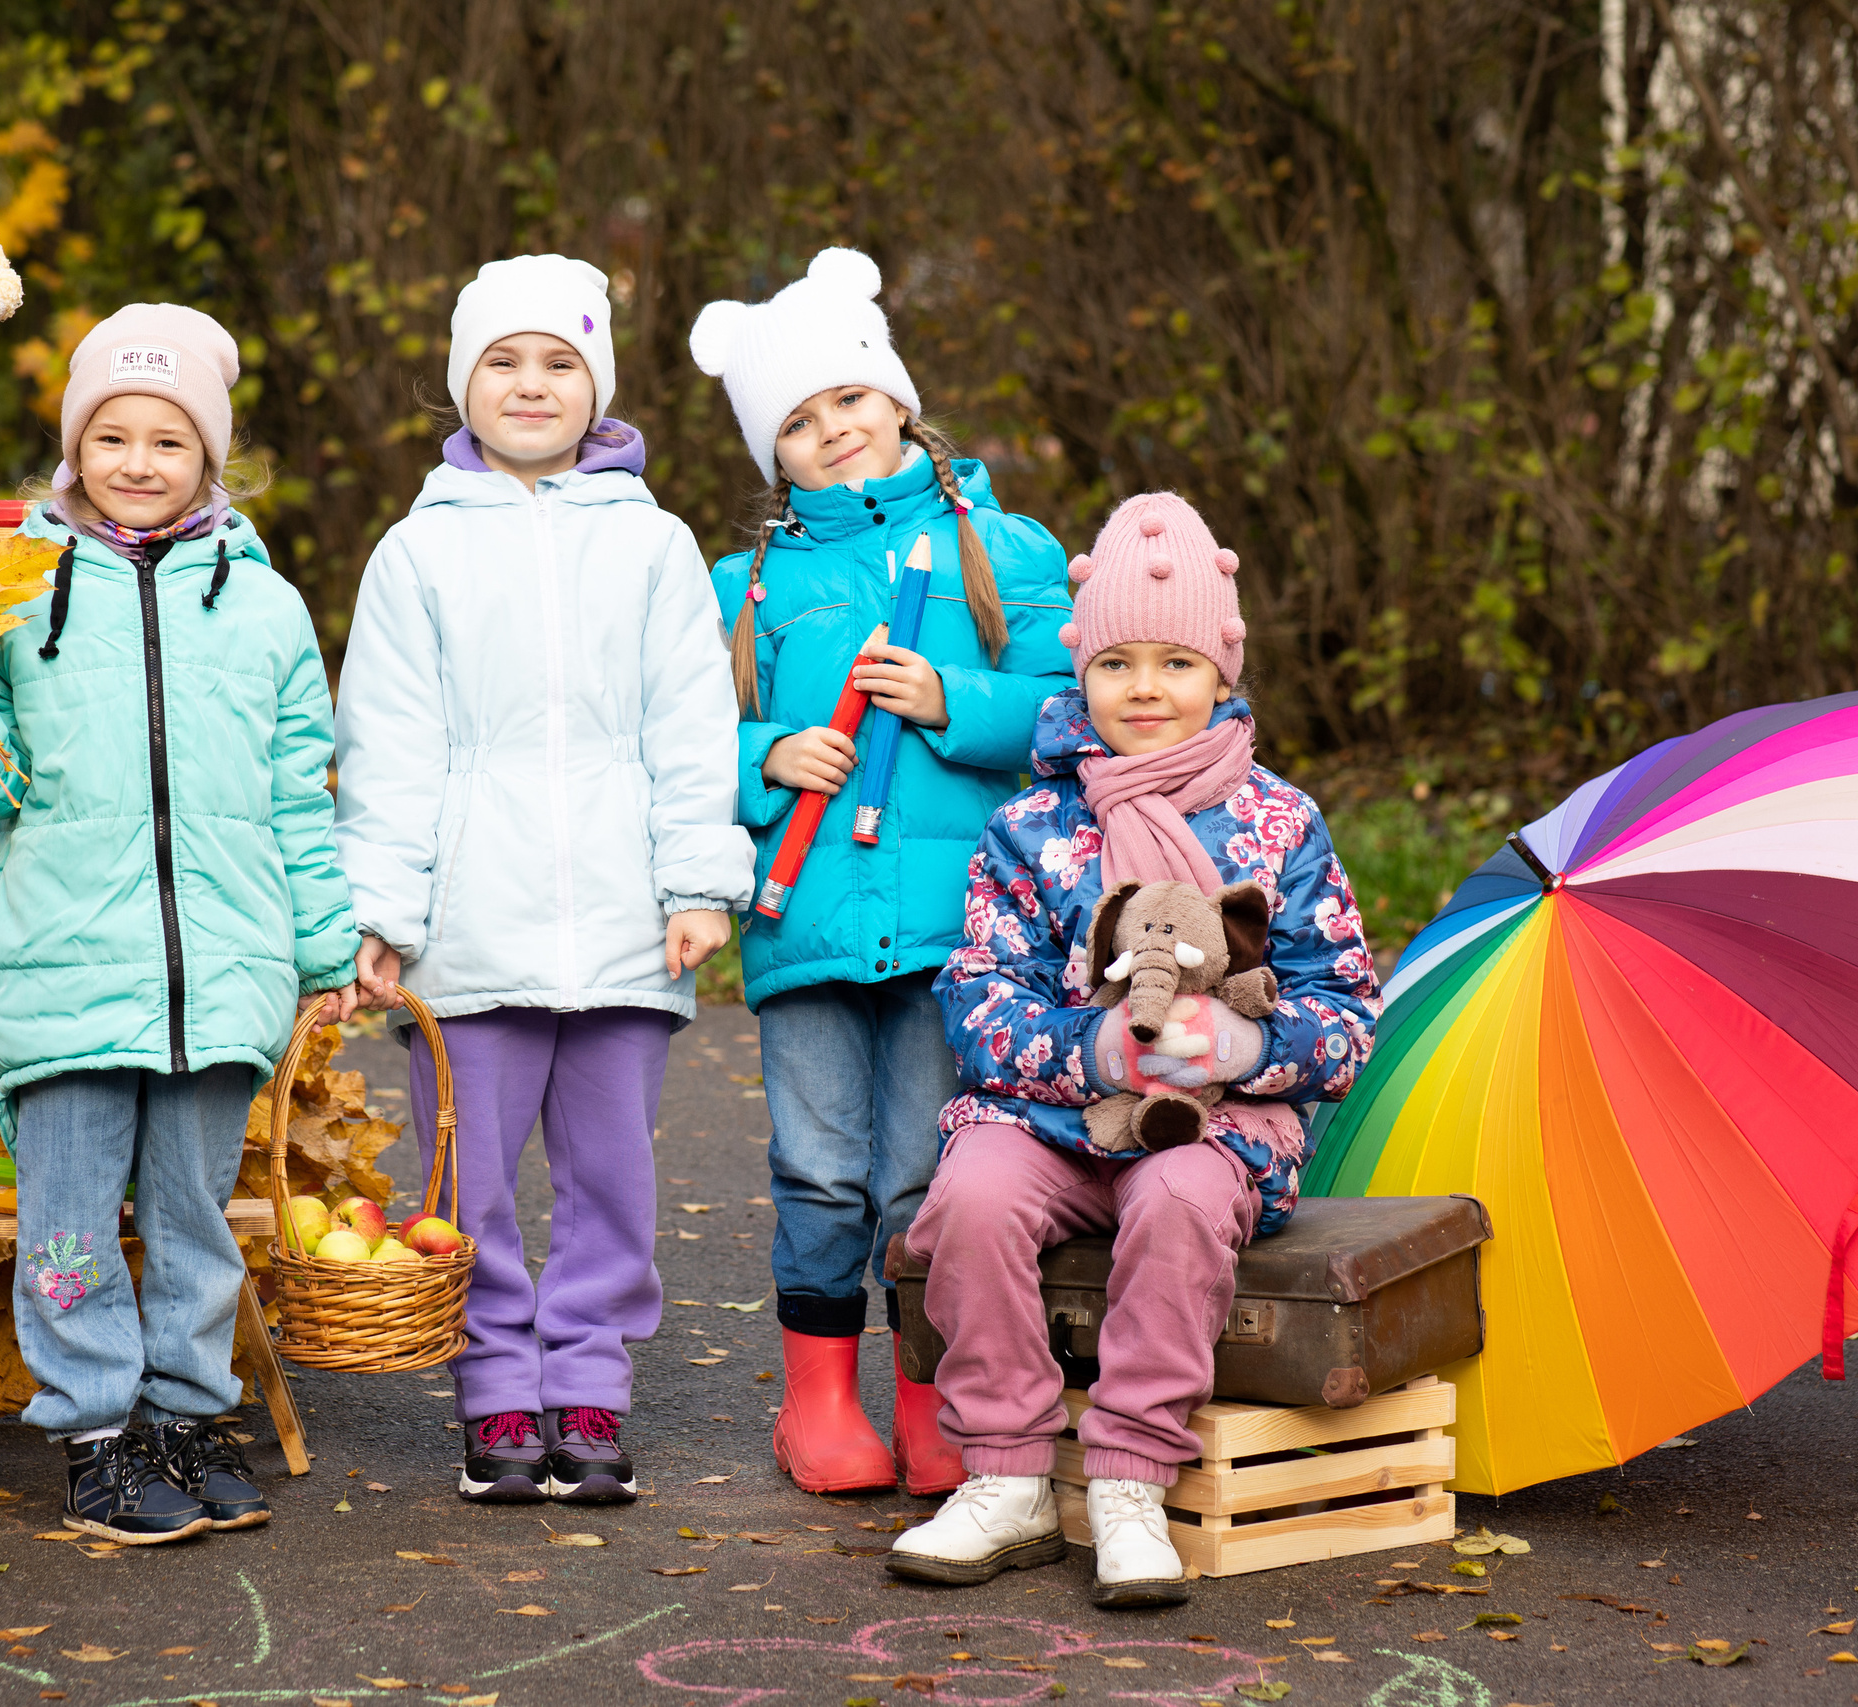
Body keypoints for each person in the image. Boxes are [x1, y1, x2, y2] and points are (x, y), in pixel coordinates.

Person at [0, 303, 361, 1547]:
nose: (139, 462)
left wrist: (324, 945)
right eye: (112, 436)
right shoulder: (9, 596)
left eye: (169, 440)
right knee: (67, 1220)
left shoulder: (266, 611)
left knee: (192, 1218)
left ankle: (185, 1418)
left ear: (211, 454)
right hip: (64, 961)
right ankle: (97, 1435)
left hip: (223, 966)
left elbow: (297, 795)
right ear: (74, 450)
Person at [886, 491, 1380, 1605]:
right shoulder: (1030, 827)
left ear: (1221, 671)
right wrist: (1095, 1050)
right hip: (1053, 1115)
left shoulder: (1280, 824)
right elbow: (978, 999)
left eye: (1175, 662)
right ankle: (1008, 1469)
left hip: (1211, 1122)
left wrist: (1242, 1044)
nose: (1145, 688)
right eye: (1115, 664)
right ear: (1081, 672)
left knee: (1178, 1205)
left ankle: (1128, 1476)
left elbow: (1346, 1011)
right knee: (971, 1198)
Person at [335, 254, 753, 1505]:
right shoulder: (417, 552)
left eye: (559, 362)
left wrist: (696, 881)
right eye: (502, 362)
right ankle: (496, 1394)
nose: (531, 384)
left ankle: (588, 1384)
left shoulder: (653, 544)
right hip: (470, 931)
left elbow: (692, 724)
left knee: (611, 1179)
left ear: (597, 386)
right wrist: (384, 910)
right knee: (466, 1184)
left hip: (625, 927)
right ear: (462, 385)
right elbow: (389, 744)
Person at [690, 248, 1076, 1497]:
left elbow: (1073, 713)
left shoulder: (1002, 550)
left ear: (897, 398)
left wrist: (954, 697)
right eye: (798, 422)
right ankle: (815, 1409)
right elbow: (679, 737)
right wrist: (764, 757)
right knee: (817, 1172)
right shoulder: (745, 585)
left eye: (849, 399)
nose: (833, 431)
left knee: (923, 1174)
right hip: (802, 920)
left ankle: (928, 1403)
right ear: (773, 455)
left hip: (954, 928)